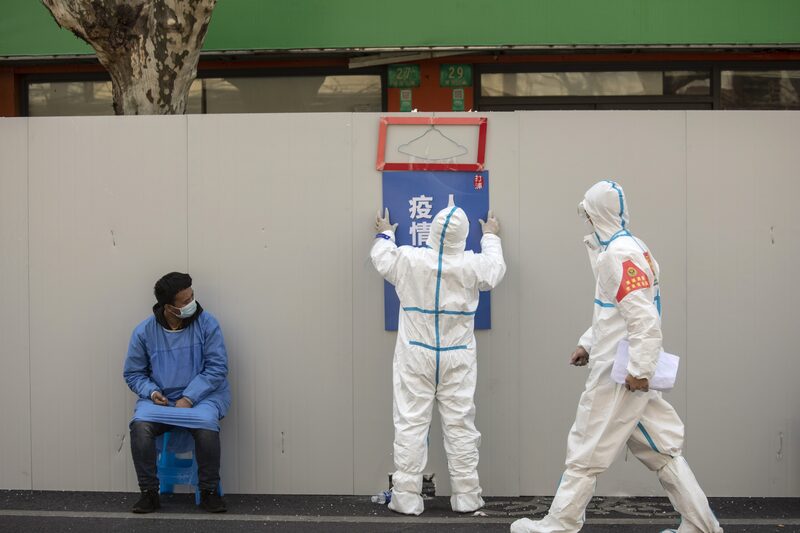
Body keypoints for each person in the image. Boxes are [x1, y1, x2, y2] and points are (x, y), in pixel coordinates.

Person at [511, 181, 721, 533]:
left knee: (585, 447)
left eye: (587, 215)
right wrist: (588, 344)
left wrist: (638, 369)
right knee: (662, 449)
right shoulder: (630, 247)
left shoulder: (618, 255)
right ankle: (701, 526)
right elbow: (614, 314)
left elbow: (643, 318)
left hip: (620, 375)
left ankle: (561, 523)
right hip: (626, 368)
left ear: (595, 214)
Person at [371, 202, 506, 515]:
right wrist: (491, 236)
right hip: (457, 356)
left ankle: (405, 498)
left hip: (415, 353)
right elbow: (495, 269)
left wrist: (385, 233)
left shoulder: (410, 258)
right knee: (460, 425)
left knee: (410, 424)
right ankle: (468, 497)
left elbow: (382, 258)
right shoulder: (472, 265)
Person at [123, 272, 231, 514]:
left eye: (192, 296)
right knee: (140, 427)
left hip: (203, 397)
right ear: (169, 307)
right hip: (162, 400)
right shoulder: (144, 332)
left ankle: (209, 492)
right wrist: (151, 393)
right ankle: (149, 493)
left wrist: (189, 397)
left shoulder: (208, 324)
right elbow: (133, 374)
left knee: (206, 425)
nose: (192, 303)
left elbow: (217, 368)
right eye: (185, 301)